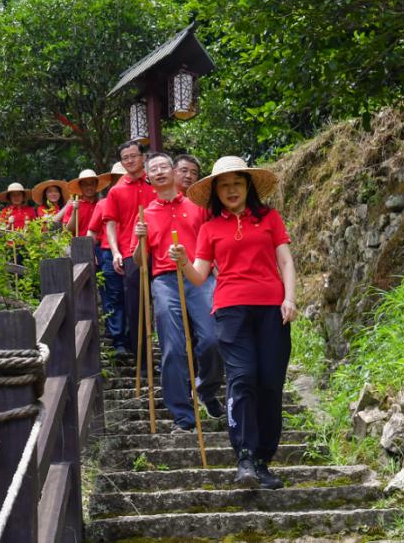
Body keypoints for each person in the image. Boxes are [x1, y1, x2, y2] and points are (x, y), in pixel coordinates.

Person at [169, 156, 297, 490]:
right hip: (230, 310)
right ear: (216, 192)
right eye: (224, 186)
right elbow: (199, 277)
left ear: (248, 186)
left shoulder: (269, 217)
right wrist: (183, 261)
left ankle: (263, 461)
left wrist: (290, 298)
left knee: (270, 384)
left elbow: (285, 259)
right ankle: (244, 458)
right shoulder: (210, 228)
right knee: (242, 379)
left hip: (272, 308)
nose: (231, 190)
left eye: (236, 184)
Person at [134, 152, 222, 434]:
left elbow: (212, 243)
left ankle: (206, 390)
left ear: (174, 171)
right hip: (164, 281)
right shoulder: (145, 214)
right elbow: (140, 261)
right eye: (153, 169)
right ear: (148, 177)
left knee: (212, 339)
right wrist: (139, 240)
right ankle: (183, 416)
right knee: (172, 347)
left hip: (199, 277)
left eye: (164, 167)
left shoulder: (197, 206)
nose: (159, 172)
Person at [101, 140, 156, 356]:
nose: (130, 160)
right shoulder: (116, 191)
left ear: (143, 157)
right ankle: (140, 356)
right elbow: (110, 223)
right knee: (136, 305)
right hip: (130, 252)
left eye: (134, 155)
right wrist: (115, 252)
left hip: (160, 251)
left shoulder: (155, 183)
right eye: (125, 158)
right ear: (121, 162)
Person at [85, 163, 127, 352]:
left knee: (131, 296)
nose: (120, 180)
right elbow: (91, 233)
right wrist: (91, 254)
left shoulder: (137, 199)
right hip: (108, 253)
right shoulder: (103, 204)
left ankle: (133, 337)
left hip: (133, 251)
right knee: (113, 295)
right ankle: (118, 339)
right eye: (116, 177)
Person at [62, 169, 108, 238]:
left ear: (96, 185)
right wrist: (75, 210)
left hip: (99, 245)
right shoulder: (73, 205)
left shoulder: (102, 204)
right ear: (80, 186)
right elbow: (67, 231)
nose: (89, 187)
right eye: (85, 184)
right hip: (80, 244)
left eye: (92, 183)